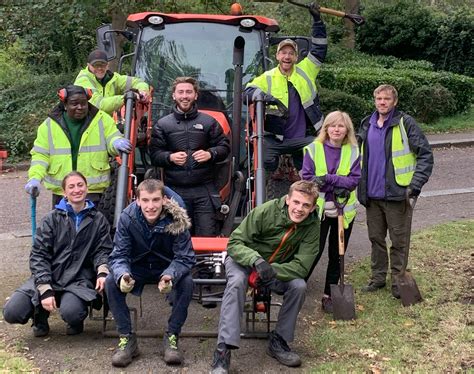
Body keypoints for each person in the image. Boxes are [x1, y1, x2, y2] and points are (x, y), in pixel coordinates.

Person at [210, 180, 321, 373]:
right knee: (236, 283)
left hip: (274, 269)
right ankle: (223, 351)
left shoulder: (312, 227)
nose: (299, 209)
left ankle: (279, 341)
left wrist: (271, 270)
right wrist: (256, 261)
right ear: (287, 200)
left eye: (306, 205)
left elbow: (302, 266)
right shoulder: (266, 211)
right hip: (243, 260)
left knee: (299, 286)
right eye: (296, 202)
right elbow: (235, 243)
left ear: (313, 208)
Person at [148, 77, 231, 308]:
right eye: (180, 92)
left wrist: (211, 154)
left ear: (196, 95)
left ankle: (205, 286)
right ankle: (178, 285)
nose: (184, 96)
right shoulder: (163, 124)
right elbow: (154, 153)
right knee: (178, 236)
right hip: (175, 189)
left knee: (206, 235)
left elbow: (224, 147)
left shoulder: (208, 122)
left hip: (204, 188)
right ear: (173, 96)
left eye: (188, 92)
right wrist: (169, 157)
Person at [3, 172, 113, 337]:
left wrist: (103, 271)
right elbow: (39, 255)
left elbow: (103, 250)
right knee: (12, 312)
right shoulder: (50, 219)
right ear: (64, 192)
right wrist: (45, 288)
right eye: (71, 186)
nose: (77, 189)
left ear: (87, 188)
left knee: (72, 313)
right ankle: (39, 316)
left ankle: (75, 320)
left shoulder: (98, 220)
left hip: (78, 279)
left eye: (80, 185)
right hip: (50, 275)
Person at [105, 179, 195, 368]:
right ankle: (127, 339)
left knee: (187, 281)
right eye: (145, 200)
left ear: (164, 200)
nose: (151, 206)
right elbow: (119, 254)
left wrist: (170, 274)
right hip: (137, 267)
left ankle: (172, 337)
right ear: (137, 200)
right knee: (111, 281)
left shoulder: (178, 219)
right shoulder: (127, 217)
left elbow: (185, 257)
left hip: (166, 266)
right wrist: (123, 274)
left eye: (155, 200)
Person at [357, 84, 433, 298]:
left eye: (387, 99)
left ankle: (399, 282)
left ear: (395, 101)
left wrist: (414, 185)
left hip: (398, 195)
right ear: (374, 100)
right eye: (379, 99)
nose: (382, 102)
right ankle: (378, 278)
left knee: (399, 242)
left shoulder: (404, 123)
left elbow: (425, 154)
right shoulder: (366, 123)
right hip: (371, 196)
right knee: (376, 239)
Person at [243, 4, 327, 173]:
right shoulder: (267, 77)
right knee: (263, 163)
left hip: (302, 138)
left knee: (318, 154)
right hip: (276, 138)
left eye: (291, 53)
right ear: (277, 56)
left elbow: (319, 48)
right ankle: (267, 186)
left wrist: (317, 21)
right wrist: (265, 97)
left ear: (296, 56)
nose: (287, 56)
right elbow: (247, 92)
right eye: (283, 53)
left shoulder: (306, 70)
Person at [24, 84, 131, 207]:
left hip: (92, 190)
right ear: (65, 105)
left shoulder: (102, 120)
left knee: (91, 225)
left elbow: (112, 137)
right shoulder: (48, 126)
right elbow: (40, 156)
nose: (80, 107)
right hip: (63, 191)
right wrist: (35, 178)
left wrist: (116, 142)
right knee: (63, 225)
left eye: (83, 103)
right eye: (74, 104)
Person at [301, 111, 361, 313]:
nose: (336, 129)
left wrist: (327, 178)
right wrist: (336, 181)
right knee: (312, 250)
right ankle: (298, 284)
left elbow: (353, 181)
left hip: (344, 211)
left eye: (341, 126)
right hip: (318, 211)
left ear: (347, 130)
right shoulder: (313, 149)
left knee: (338, 254)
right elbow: (308, 179)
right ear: (325, 128)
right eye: (332, 126)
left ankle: (329, 294)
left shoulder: (353, 151)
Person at [74, 49, 150, 115]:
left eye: (103, 65)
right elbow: (99, 105)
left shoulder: (113, 78)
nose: (99, 68)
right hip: (88, 127)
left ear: (107, 65)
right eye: (95, 65)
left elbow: (138, 82)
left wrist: (143, 91)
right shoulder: (83, 80)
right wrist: (125, 98)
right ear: (88, 65)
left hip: (107, 125)